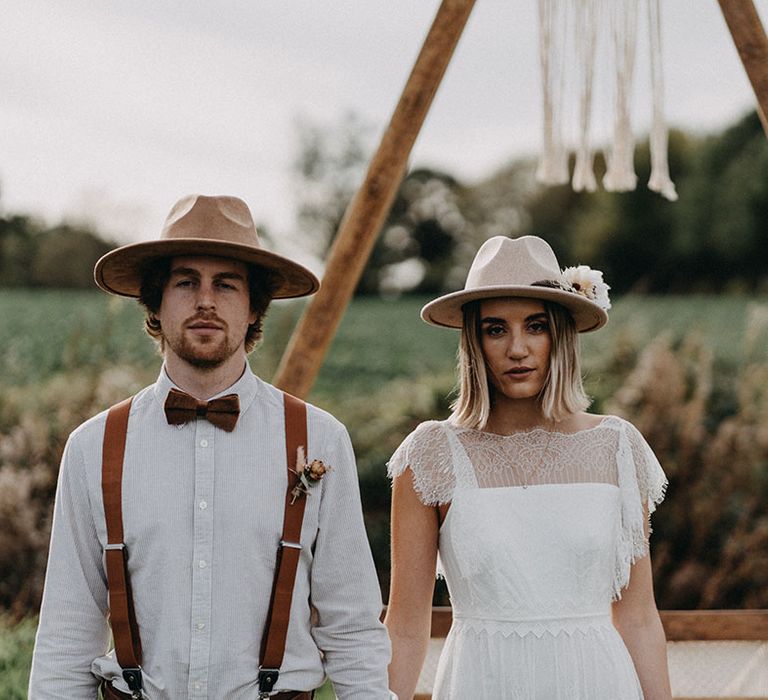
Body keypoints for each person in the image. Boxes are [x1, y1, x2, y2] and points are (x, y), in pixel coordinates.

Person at [29, 194, 392, 699]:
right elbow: (66, 636)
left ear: (252, 306)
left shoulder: (319, 438)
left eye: (226, 283)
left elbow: (352, 628)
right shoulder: (93, 447)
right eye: (185, 282)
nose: (206, 300)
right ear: (156, 301)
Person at [385, 235, 672, 699]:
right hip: (482, 683)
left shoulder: (616, 446)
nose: (517, 348)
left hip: (598, 684)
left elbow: (638, 617)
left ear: (559, 334)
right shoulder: (431, 453)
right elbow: (404, 627)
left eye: (535, 326)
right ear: (473, 342)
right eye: (495, 329)